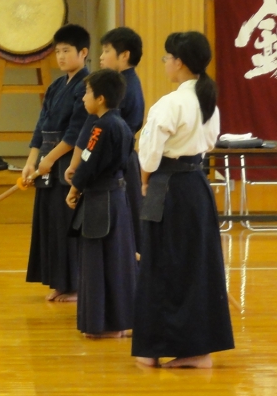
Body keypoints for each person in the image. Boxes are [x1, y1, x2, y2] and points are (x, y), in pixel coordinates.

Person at [132, 31, 234, 369]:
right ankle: (196, 349)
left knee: (161, 262)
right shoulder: (206, 101)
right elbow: (210, 142)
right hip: (196, 186)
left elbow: (149, 155)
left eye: (167, 57)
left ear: (179, 62)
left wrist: (144, 181)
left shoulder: (171, 103)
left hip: (168, 187)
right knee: (195, 265)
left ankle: (161, 347)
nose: (165, 63)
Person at [65, 70, 137, 339]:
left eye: (87, 93)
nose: (84, 98)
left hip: (99, 200)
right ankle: (120, 321)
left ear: (101, 98)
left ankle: (104, 325)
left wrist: (75, 186)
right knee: (117, 260)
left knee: (97, 262)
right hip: (116, 198)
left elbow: (88, 162)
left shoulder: (100, 127)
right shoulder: (123, 125)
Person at [22, 24, 91, 302]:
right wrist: (31, 162)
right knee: (49, 223)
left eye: (66, 51)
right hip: (47, 163)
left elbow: (76, 132)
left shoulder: (87, 86)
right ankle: (60, 282)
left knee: (66, 223)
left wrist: (49, 159)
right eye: (58, 51)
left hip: (66, 163)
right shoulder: (55, 86)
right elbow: (41, 126)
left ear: (83, 52)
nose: (60, 56)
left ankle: (75, 284)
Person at [67, 27, 146, 253]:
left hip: (111, 167)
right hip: (122, 163)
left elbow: (91, 134)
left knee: (117, 232)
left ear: (124, 55)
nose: (101, 57)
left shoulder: (117, 92)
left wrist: (76, 166)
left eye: (107, 51)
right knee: (127, 225)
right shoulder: (127, 84)